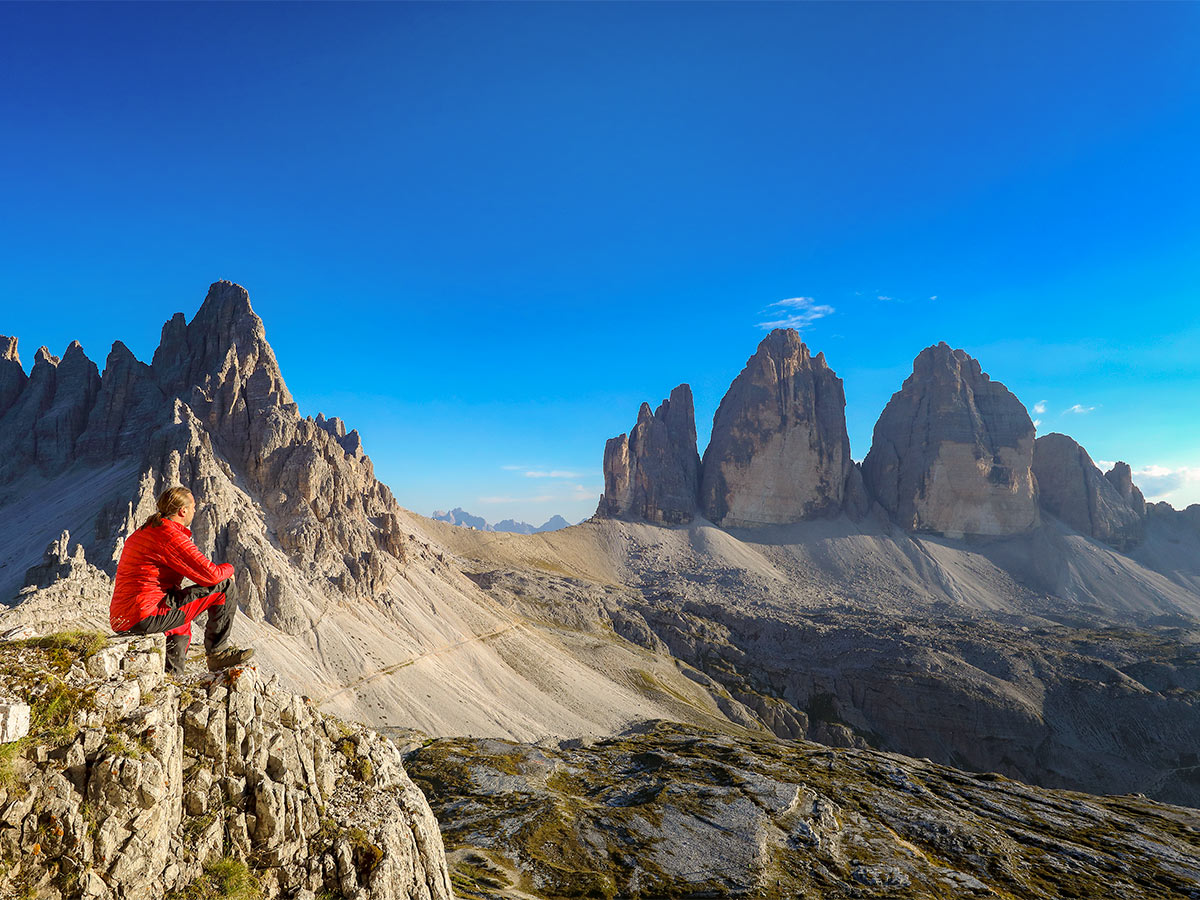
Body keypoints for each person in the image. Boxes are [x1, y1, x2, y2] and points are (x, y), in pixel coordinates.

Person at [110, 486, 254, 676]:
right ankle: (218, 654)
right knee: (224, 586)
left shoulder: (146, 530)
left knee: (179, 619)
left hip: (123, 617)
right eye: (193, 506)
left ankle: (173, 675)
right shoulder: (170, 535)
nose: (195, 510)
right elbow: (210, 575)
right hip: (145, 614)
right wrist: (230, 569)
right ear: (182, 511)